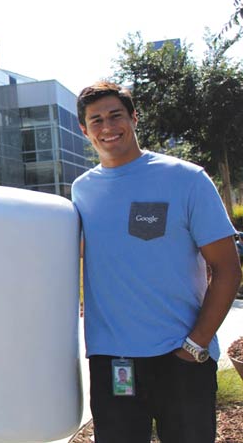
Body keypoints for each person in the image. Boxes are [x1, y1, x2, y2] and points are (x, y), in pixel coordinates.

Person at [71, 81, 241, 443]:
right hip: (112, 360)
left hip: (181, 356)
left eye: (116, 115)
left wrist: (196, 345)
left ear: (134, 118)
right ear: (84, 130)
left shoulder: (186, 179)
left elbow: (228, 269)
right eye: (96, 120)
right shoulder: (81, 191)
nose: (107, 127)